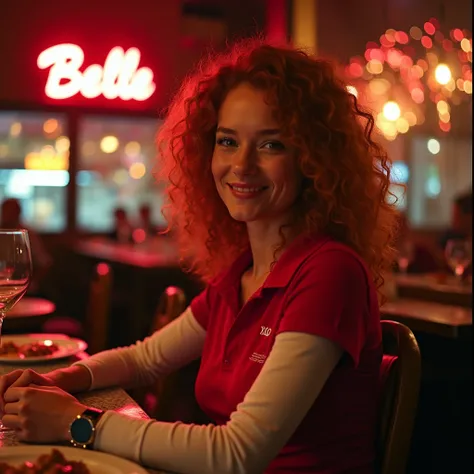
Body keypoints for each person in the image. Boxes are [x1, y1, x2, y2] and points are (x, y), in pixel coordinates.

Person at [0, 40, 398, 473]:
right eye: (227, 141)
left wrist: (77, 422)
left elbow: (237, 453)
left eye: (272, 145)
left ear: (313, 160)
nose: (241, 165)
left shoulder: (329, 272)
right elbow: (143, 358)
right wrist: (59, 380)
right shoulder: (243, 272)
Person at [0, 198, 52, 296]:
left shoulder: (27, 235)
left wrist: (31, 283)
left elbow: (44, 263)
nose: (7, 215)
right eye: (5, 211)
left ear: (18, 213)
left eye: (11, 212)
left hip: (23, 290)